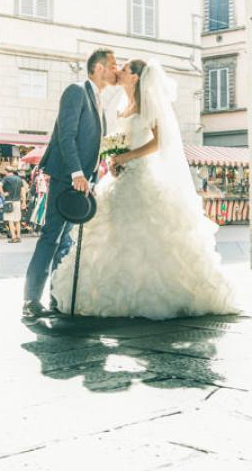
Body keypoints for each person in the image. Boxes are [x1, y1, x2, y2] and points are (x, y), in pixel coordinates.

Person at [50, 59, 238, 319]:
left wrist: (126, 158)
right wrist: (113, 162)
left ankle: (153, 295)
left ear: (136, 77)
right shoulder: (122, 107)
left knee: (144, 237)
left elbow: (158, 143)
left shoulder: (148, 105)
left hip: (142, 177)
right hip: (120, 178)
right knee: (114, 236)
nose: (119, 71)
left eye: (124, 69)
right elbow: (119, 145)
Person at [22, 48, 117, 318]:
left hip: (82, 181)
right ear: (99, 68)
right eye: (112, 65)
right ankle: (30, 300)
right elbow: (67, 134)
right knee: (51, 237)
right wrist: (76, 173)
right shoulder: (76, 91)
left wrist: (94, 174)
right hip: (66, 176)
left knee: (66, 241)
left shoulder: (98, 101)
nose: (115, 70)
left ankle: (56, 297)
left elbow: (95, 144)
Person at [0, 168, 27, 243]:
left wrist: (3, 194)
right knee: (17, 220)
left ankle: (13, 237)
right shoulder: (19, 179)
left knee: (10, 220)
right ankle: (18, 236)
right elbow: (23, 191)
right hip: (17, 202)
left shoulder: (6, 178)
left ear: (6, 171)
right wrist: (24, 202)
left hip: (9, 202)